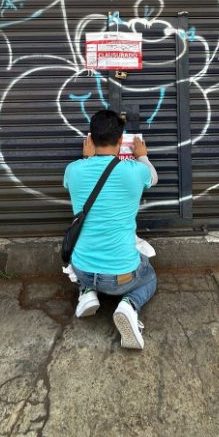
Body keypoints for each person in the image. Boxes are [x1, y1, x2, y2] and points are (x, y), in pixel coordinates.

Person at [63, 110, 158, 350]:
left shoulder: (73, 170)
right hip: (121, 277)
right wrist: (143, 156)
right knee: (149, 276)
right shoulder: (135, 171)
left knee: (83, 249)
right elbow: (153, 178)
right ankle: (129, 305)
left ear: (91, 140)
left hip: (82, 269)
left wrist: (86, 160)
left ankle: (87, 292)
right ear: (120, 141)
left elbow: (76, 182)